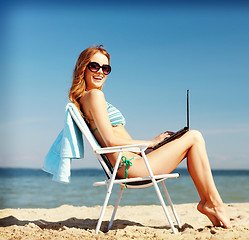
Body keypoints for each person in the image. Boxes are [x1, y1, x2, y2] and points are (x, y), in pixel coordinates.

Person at [69, 45, 231, 229]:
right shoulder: (95, 95)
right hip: (132, 168)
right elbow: (111, 141)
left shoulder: (86, 98)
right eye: (94, 66)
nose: (100, 72)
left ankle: (210, 202)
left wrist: (151, 147)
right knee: (194, 136)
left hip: (132, 162)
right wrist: (151, 142)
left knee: (190, 137)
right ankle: (212, 203)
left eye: (105, 68)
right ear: (83, 66)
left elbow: (113, 140)